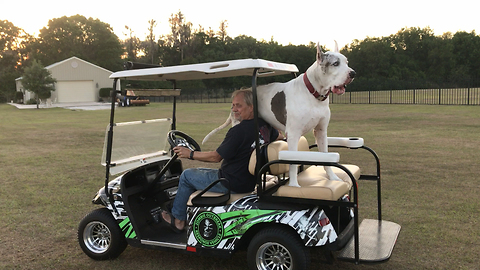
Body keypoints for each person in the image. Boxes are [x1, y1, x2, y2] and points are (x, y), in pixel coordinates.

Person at [161, 88, 283, 233]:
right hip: (249, 179)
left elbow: (216, 157)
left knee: (187, 176)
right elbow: (279, 136)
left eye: (239, 105)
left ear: (251, 107)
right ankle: (190, 211)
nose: (234, 109)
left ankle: (178, 220)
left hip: (231, 181)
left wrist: (190, 154)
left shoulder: (238, 131)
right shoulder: (264, 125)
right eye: (233, 105)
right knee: (198, 174)